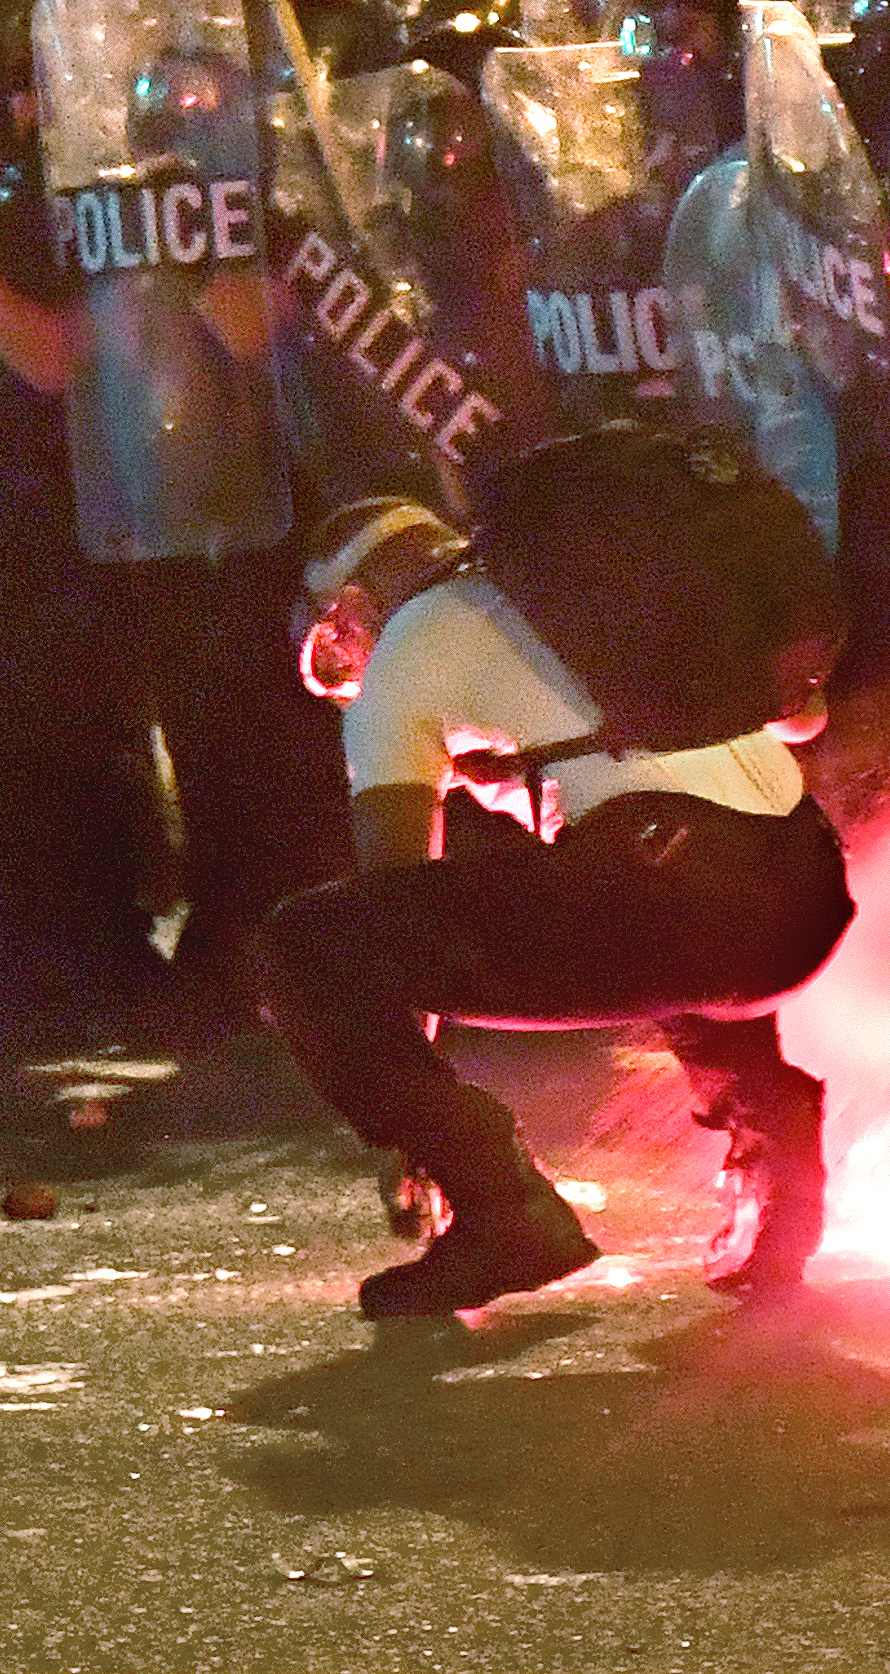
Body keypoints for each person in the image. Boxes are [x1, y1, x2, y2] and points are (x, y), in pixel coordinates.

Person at [248, 475, 854, 1317]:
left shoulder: (408, 651)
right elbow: (798, 721)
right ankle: (775, 1156)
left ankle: (504, 1208)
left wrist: (412, 1121)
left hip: (683, 896)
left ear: (352, 610)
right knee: (665, 893)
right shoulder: (581, 599)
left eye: (335, 651)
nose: (347, 676)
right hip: (808, 886)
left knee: (307, 944)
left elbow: (393, 903)